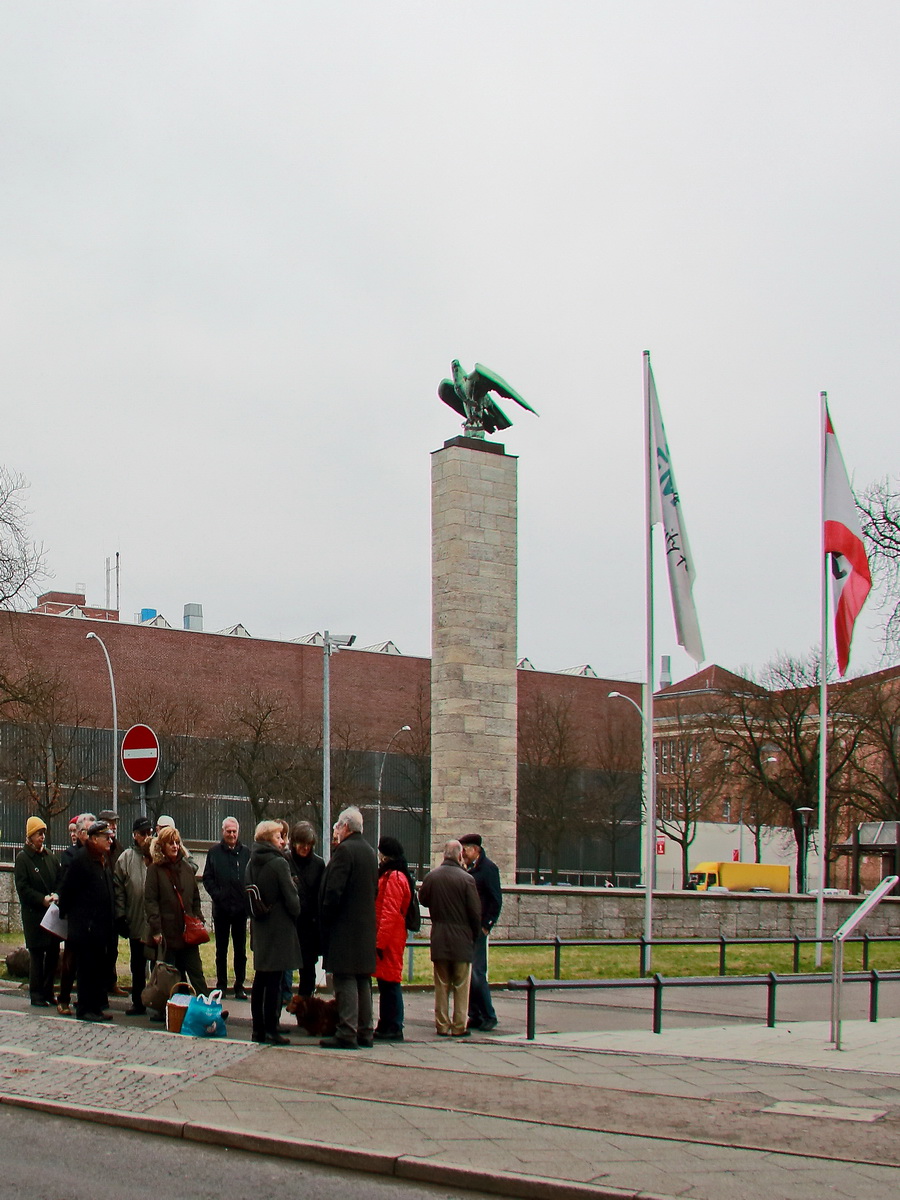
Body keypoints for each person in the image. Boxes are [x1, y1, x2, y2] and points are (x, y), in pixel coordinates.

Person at [318, 806, 378, 1050]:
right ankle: (365, 1030)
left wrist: (326, 917)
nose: (336, 831)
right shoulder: (369, 852)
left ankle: (347, 1031)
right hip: (364, 928)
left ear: (345, 826)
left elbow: (334, 891)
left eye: (337, 827)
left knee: (345, 979)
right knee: (363, 979)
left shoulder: (344, 852)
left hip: (344, 929)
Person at [245, 819, 301, 1045]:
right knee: (275, 981)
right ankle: (271, 1029)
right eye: (279, 837)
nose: (283, 841)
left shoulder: (251, 862)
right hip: (279, 929)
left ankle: (258, 1029)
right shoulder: (279, 864)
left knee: (260, 980)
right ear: (269, 839)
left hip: (260, 927)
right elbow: (292, 901)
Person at [419, 840, 482, 1037]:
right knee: (461, 986)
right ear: (459, 855)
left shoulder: (432, 877)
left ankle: (442, 1024)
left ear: (444, 854)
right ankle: (459, 1025)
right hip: (462, 939)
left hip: (439, 937)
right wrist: (474, 934)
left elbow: (423, 899)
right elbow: (475, 912)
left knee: (441, 985)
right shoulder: (467, 879)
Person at [57, 820, 117, 1022]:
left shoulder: (102, 858)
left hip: (101, 927)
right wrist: (73, 918)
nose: (109, 840)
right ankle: (85, 1008)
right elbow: (67, 890)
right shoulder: (81, 860)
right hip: (86, 927)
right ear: (93, 839)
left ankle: (95, 1007)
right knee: (86, 969)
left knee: (98, 969)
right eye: (105, 837)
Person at [144, 825, 208, 997]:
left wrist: (197, 917)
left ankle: (207, 1007)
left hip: (187, 932)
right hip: (167, 933)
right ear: (162, 846)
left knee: (196, 974)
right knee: (170, 976)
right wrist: (156, 929)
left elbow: (195, 896)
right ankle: (171, 1010)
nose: (175, 846)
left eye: (177, 843)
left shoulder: (186, 868)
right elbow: (150, 902)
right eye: (170, 843)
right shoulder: (154, 870)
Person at [14, 817, 60, 1007]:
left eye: (43, 834)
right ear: (30, 837)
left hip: (51, 914)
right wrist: (41, 899)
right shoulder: (23, 859)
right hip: (34, 915)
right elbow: (23, 888)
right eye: (38, 834)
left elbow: (58, 878)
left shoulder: (50, 856)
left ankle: (49, 990)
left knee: (53, 953)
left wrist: (56, 894)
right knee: (37, 954)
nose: (41, 837)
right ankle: (36, 993)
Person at [459, 832, 503, 1032]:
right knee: (468, 973)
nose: (463, 853)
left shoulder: (488, 869)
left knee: (477, 974)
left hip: (478, 929)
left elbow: (496, 899)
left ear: (476, 849)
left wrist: (487, 925)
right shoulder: (467, 869)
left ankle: (488, 1015)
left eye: (466, 848)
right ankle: (475, 1014)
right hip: (467, 929)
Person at [203, 816, 250, 999]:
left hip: (240, 910)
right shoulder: (214, 852)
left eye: (234, 831)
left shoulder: (246, 853)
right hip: (221, 910)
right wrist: (218, 895)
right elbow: (207, 877)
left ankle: (240, 985)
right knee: (221, 950)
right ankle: (221, 984)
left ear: (238, 832)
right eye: (228, 831)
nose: (231, 834)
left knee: (241, 951)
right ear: (223, 832)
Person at [55, 812, 97, 1016]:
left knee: (89, 962)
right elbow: (67, 886)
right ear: (80, 833)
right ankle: (63, 998)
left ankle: (87, 1001)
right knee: (70, 960)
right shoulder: (71, 856)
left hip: (93, 915)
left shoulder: (98, 854)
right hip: (76, 915)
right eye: (88, 832)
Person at [113, 816, 154, 1015]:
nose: (147, 837)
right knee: (137, 964)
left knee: (157, 965)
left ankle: (157, 1002)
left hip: (154, 922)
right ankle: (138, 1001)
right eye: (143, 833)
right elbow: (118, 889)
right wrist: (120, 916)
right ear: (135, 835)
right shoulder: (126, 858)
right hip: (135, 918)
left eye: (150, 832)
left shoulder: (157, 854)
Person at [373, 835, 413, 1042]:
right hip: (391, 935)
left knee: (390, 982)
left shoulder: (394, 877)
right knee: (386, 981)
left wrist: (380, 942)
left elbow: (389, 911)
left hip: (390, 936)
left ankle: (394, 1024)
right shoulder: (395, 874)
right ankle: (387, 1023)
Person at [289, 821, 325, 998]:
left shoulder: (318, 864)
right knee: (283, 970)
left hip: (309, 926)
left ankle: (306, 1006)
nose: (305, 848)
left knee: (308, 971)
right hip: (290, 923)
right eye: (302, 843)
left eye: (309, 845)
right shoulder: (285, 860)